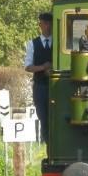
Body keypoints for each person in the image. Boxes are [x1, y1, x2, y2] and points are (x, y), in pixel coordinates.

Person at [24, 11, 52, 142]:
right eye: (45, 23)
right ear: (40, 25)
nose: (48, 26)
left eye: (49, 23)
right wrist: (43, 67)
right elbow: (28, 67)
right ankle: (47, 145)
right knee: (43, 117)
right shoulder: (32, 44)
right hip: (40, 87)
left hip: (55, 86)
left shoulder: (58, 43)